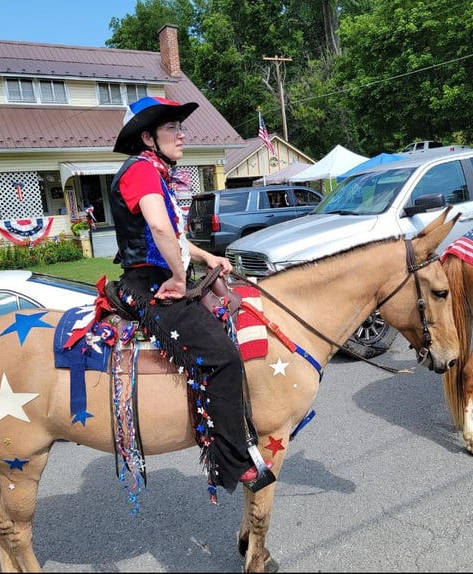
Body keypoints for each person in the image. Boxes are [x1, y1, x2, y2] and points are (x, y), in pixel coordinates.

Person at [110, 96, 273, 496]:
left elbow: (176, 239)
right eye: (172, 128)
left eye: (181, 127)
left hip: (161, 275)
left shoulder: (152, 172)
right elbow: (161, 232)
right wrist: (181, 279)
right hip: (148, 284)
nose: (182, 134)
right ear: (147, 137)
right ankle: (231, 462)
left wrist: (207, 255)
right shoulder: (143, 172)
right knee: (221, 357)